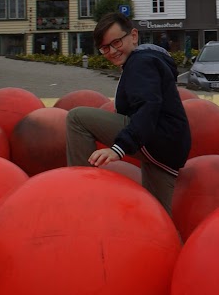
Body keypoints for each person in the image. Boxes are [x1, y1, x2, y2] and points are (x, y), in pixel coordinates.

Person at [66, 12, 191, 216]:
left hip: (157, 137)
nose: (112, 51)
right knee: (156, 217)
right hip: (169, 148)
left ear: (133, 35)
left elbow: (149, 105)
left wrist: (119, 148)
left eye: (116, 42)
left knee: (77, 118)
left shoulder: (140, 63)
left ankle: (81, 193)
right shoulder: (146, 60)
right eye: (105, 47)